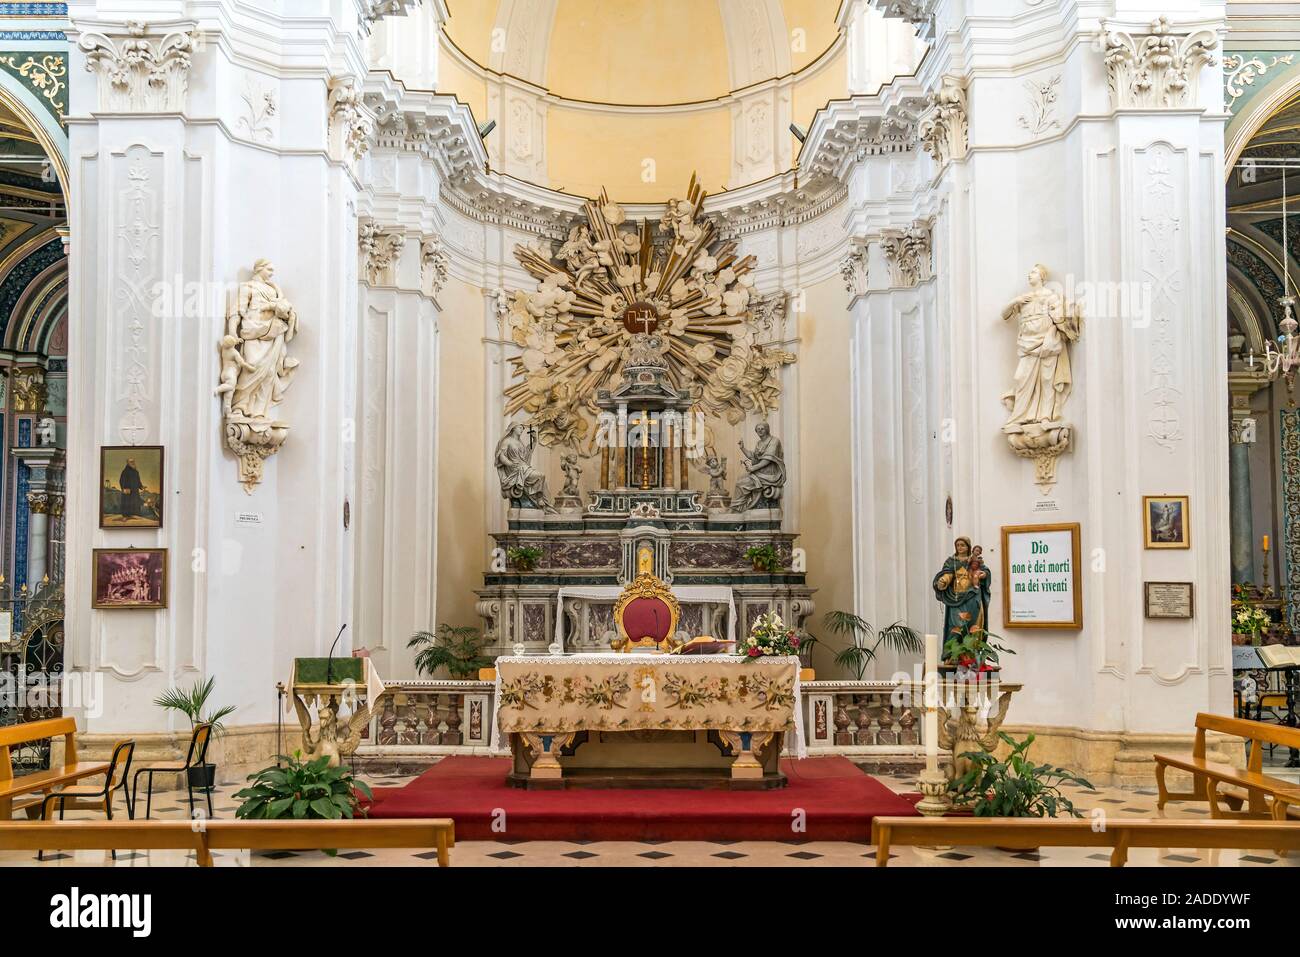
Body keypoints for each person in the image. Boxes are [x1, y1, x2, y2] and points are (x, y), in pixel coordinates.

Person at [732, 423, 786, 511]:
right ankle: (738, 507)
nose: (760, 430)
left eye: (762, 428)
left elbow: (768, 459)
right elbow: (753, 456)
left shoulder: (774, 441)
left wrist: (753, 468)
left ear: (767, 430)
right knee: (740, 479)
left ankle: (736, 507)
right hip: (760, 472)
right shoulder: (759, 443)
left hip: (770, 475)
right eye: (758, 429)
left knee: (741, 483)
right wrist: (742, 448)